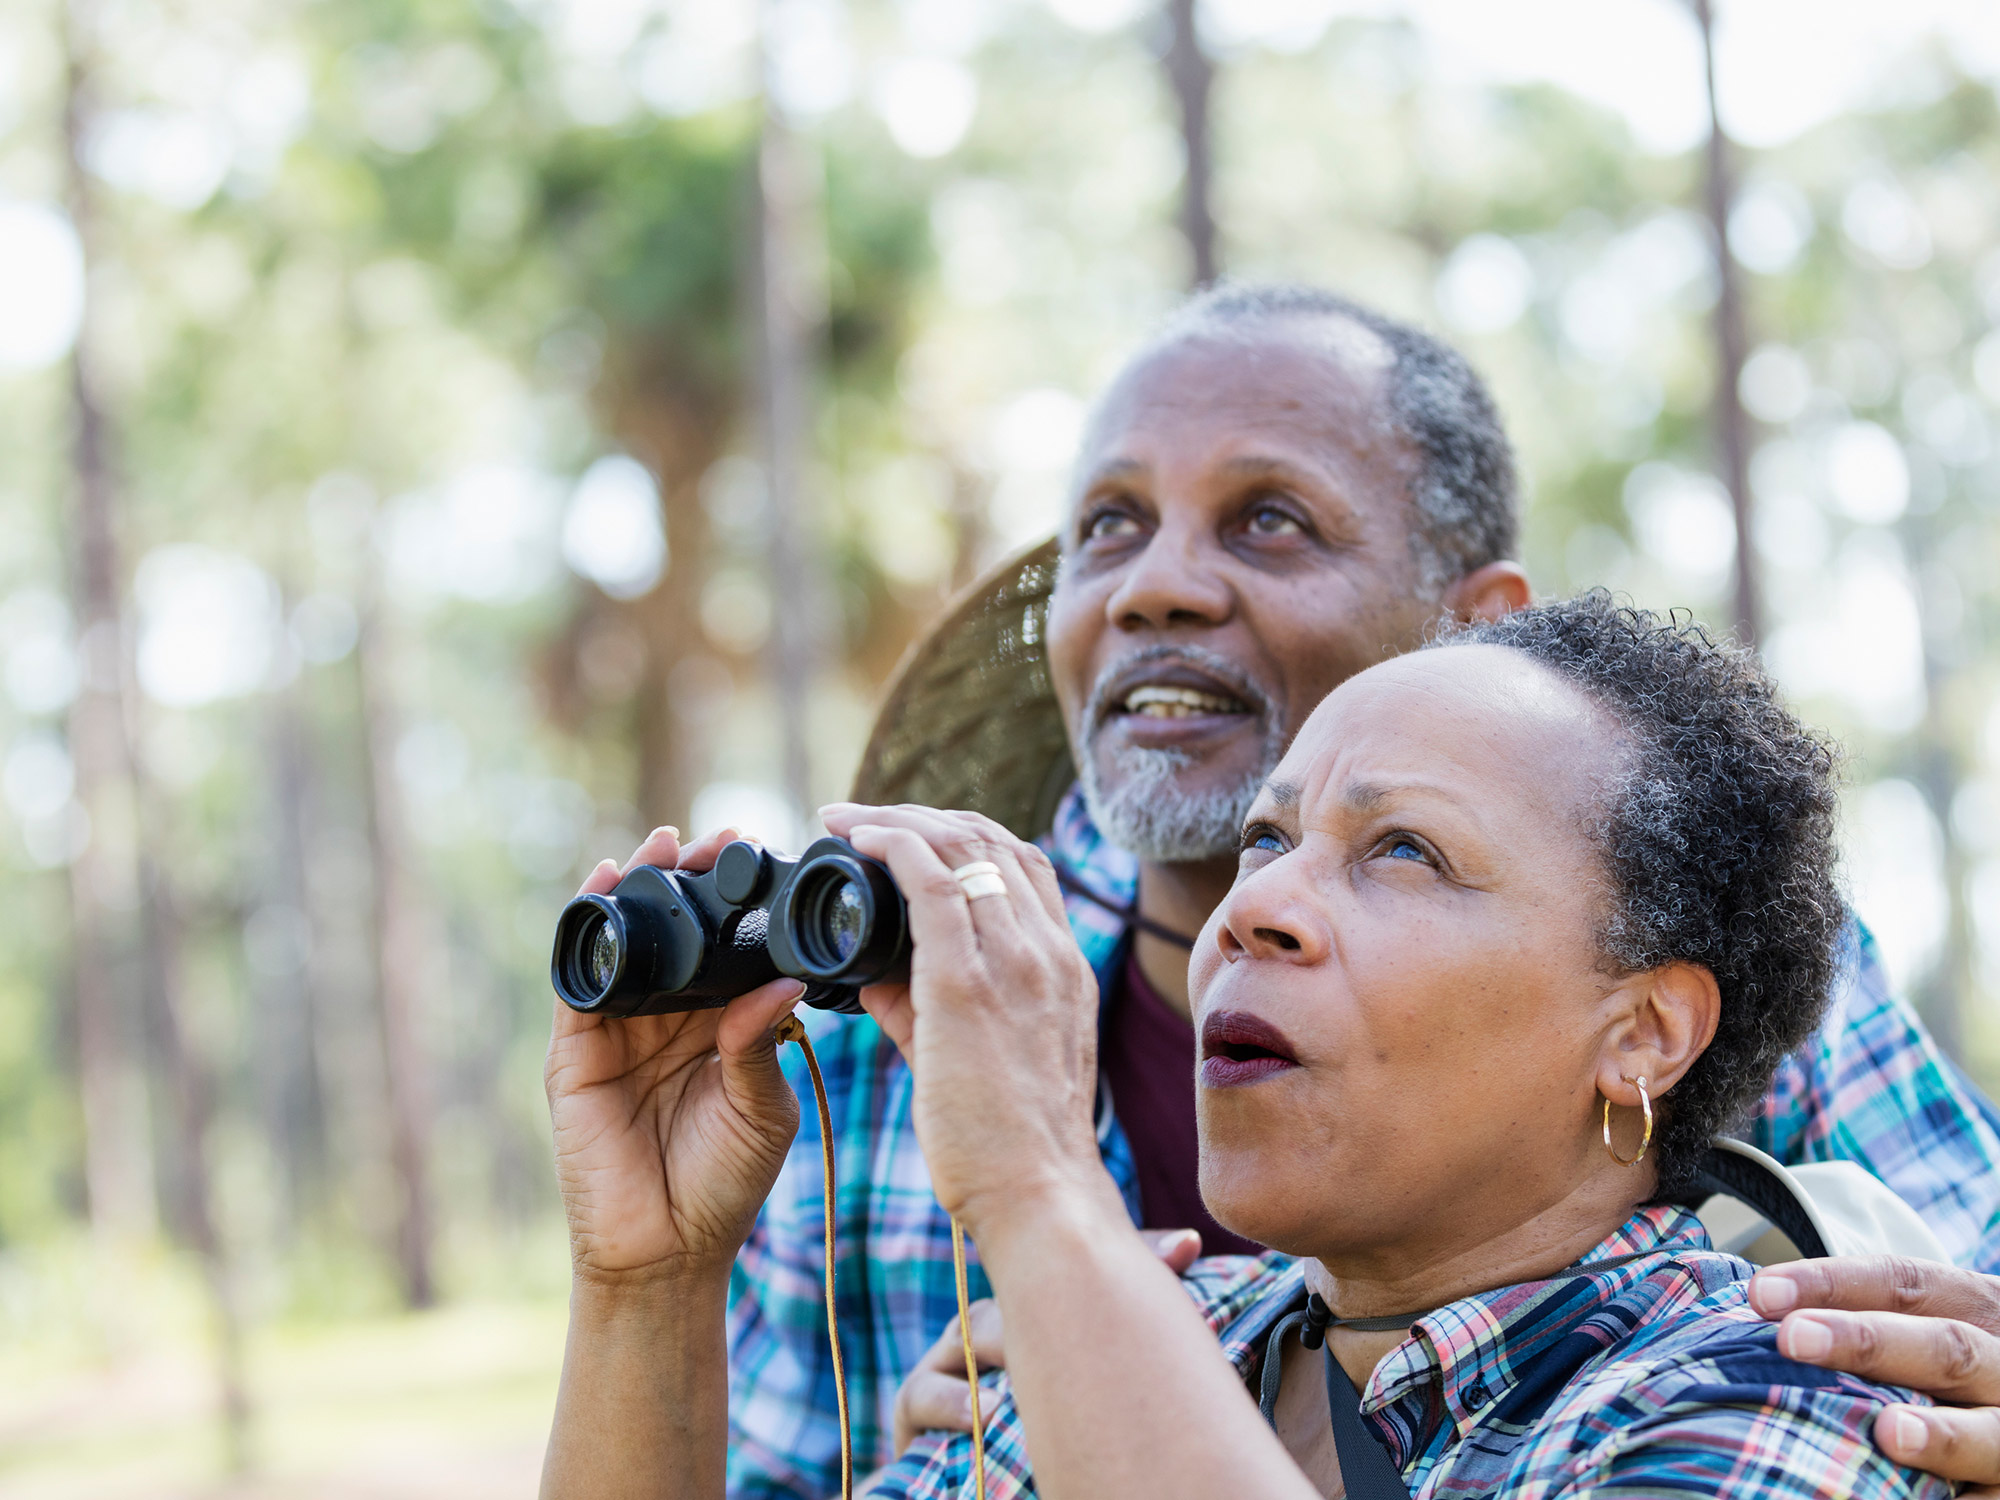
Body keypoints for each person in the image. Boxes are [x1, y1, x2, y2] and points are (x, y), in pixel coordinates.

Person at [546, 284, 2000, 1498]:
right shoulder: (892, 1038)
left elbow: (1953, 1311)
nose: (1155, 587)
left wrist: (1046, 1220)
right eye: (1264, 841)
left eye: (1272, 522)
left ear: (1645, 1033)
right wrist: (646, 1288)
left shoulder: (1756, 1387)